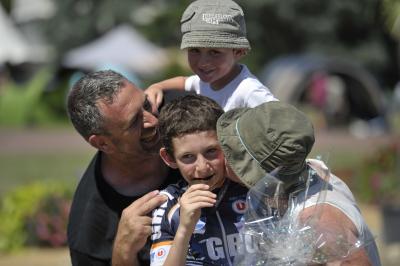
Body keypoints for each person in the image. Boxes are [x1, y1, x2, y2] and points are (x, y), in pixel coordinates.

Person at [216, 101, 381, 265]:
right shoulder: (304, 177)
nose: (221, 155)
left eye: (232, 153)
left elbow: (351, 261)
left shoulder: (317, 218)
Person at [66, 70, 182, 265]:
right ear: (103, 144)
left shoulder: (182, 108)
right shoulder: (90, 232)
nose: (154, 120)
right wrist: (122, 252)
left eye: (145, 104)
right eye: (134, 121)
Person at [149, 95, 249, 266]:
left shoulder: (250, 186)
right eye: (188, 157)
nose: (202, 167)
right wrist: (184, 230)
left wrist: (254, 184)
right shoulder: (167, 204)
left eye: (211, 151)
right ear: (169, 158)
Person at [145, 0, 277, 113]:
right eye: (195, 50)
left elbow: (282, 120)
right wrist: (157, 87)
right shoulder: (206, 81)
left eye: (214, 52)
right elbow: (184, 82)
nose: (203, 62)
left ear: (238, 52)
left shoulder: (249, 91)